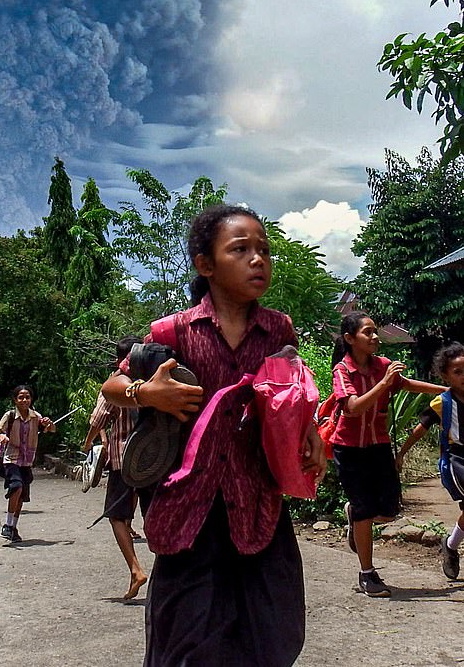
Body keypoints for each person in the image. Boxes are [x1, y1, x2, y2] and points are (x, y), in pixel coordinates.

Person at [102, 203, 326, 667]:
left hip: (258, 503)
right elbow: (113, 387)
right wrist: (149, 392)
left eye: (263, 249)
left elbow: (292, 394)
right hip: (190, 509)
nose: (258, 259)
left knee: (272, 632)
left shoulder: (279, 330)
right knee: (187, 639)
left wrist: (312, 433)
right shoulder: (174, 331)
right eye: (240, 249)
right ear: (206, 265)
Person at [330, 311, 443, 598]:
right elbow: (353, 407)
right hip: (350, 448)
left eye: (375, 331)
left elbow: (406, 384)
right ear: (349, 339)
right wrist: (384, 382)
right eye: (367, 332)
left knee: (389, 509)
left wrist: (448, 390)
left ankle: (355, 518)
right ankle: (367, 574)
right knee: (366, 511)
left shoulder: (382, 366)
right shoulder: (342, 371)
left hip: (378, 445)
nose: (375, 337)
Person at [83, 335, 151, 601]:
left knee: (117, 516)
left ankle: (136, 570)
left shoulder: (116, 382)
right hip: (154, 459)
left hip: (124, 459)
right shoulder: (152, 377)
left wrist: (88, 442)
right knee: (153, 513)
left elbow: (99, 418)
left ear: (118, 359)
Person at [395, 341, 464, 579]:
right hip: (457, 460)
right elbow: (420, 429)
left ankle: (451, 545)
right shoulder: (442, 402)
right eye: (458, 372)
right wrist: (402, 453)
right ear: (445, 376)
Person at [0, 385, 56, 542]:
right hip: (11, 458)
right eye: (20, 397)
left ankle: (13, 527)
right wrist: (1, 437)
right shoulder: (10, 415)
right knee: (16, 486)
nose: (24, 400)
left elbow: (52, 429)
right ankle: (7, 525)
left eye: (27, 397)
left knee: (21, 496)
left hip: (27, 461)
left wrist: (49, 423)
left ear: (31, 399)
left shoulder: (36, 417)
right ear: (15, 400)